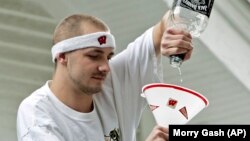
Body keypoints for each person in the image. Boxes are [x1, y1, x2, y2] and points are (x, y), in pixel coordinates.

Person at [16, 10, 193, 141]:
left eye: (108, 57)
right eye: (94, 56)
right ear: (62, 56)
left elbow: (166, 23)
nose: (105, 67)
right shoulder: (37, 115)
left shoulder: (112, 81)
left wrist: (173, 33)